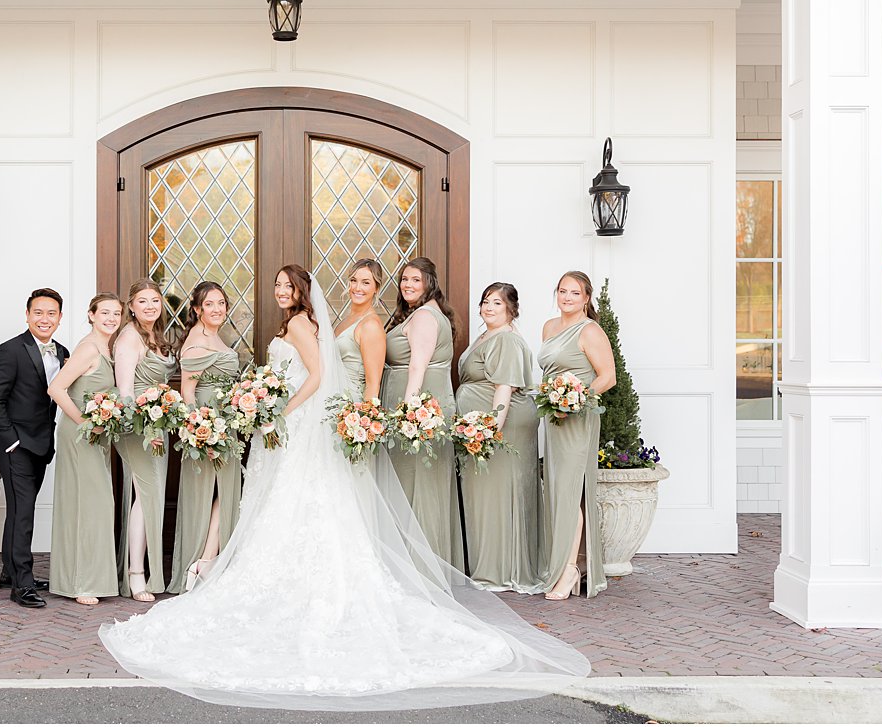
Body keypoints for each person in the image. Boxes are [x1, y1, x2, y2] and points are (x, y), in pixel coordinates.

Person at [99, 266, 589, 711]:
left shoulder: (308, 326)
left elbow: (318, 376)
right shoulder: (312, 326)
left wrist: (281, 410)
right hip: (301, 420)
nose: (281, 292)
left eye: (288, 286)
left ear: (303, 294)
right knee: (287, 501)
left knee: (308, 500)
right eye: (278, 286)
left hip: (304, 418)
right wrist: (268, 401)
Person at [0, 288, 68, 610]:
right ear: (28, 315)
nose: (44, 319)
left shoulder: (62, 352)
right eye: (38, 312)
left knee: (19, 512)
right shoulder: (10, 350)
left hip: (42, 445)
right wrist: (12, 440)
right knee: (24, 514)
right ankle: (23, 584)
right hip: (14, 446)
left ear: (60, 318)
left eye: (51, 313)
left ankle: (10, 572)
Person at [536, 271, 617, 601]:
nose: (567, 297)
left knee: (570, 491)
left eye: (574, 292)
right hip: (552, 418)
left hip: (577, 419)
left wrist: (574, 399)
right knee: (557, 490)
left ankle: (569, 570)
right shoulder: (549, 327)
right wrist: (552, 399)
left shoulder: (590, 330)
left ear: (586, 298)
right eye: (562, 291)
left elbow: (608, 377)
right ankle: (564, 563)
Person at [456, 282, 541, 593]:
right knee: (483, 496)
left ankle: (501, 570)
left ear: (511, 310)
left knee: (497, 495)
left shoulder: (505, 339)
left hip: (500, 426)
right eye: (485, 302)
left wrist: (490, 430)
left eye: (497, 303)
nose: (488, 308)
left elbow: (504, 387)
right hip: (479, 425)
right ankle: (487, 565)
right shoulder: (488, 335)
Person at [381, 256, 463, 569]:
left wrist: (408, 411)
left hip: (417, 412)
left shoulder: (426, 317)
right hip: (423, 406)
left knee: (415, 485)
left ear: (430, 283)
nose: (408, 285)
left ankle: (418, 566)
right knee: (417, 483)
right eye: (404, 279)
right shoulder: (426, 313)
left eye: (416, 279)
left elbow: (417, 366)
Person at [45, 293, 124, 606]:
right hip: (79, 434)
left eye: (116, 313)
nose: (111, 318)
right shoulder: (89, 347)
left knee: (94, 505)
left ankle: (84, 577)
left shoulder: (107, 347)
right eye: (104, 312)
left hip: (94, 435)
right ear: (91, 315)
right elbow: (56, 389)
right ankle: (81, 582)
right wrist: (84, 423)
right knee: (87, 505)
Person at [168, 281, 243, 593]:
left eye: (221, 303)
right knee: (209, 493)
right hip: (208, 426)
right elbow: (187, 391)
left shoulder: (215, 336)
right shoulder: (196, 341)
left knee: (227, 491)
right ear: (197, 310)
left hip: (227, 422)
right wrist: (202, 433)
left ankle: (209, 558)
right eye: (210, 304)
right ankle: (198, 560)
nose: (217, 309)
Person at [111, 278, 175, 601]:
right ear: (131, 307)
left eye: (155, 301)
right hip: (138, 428)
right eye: (143, 301)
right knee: (146, 497)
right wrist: (148, 428)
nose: (150, 306)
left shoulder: (156, 336)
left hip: (156, 425)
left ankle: (140, 570)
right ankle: (135, 574)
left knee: (151, 497)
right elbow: (124, 394)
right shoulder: (128, 338)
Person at [334, 258, 387, 404]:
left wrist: (362, 422)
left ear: (376, 288)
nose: (357, 288)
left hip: (351, 405)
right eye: (353, 280)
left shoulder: (370, 325)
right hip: (332, 401)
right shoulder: (345, 320)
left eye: (366, 282)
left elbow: (373, 384)